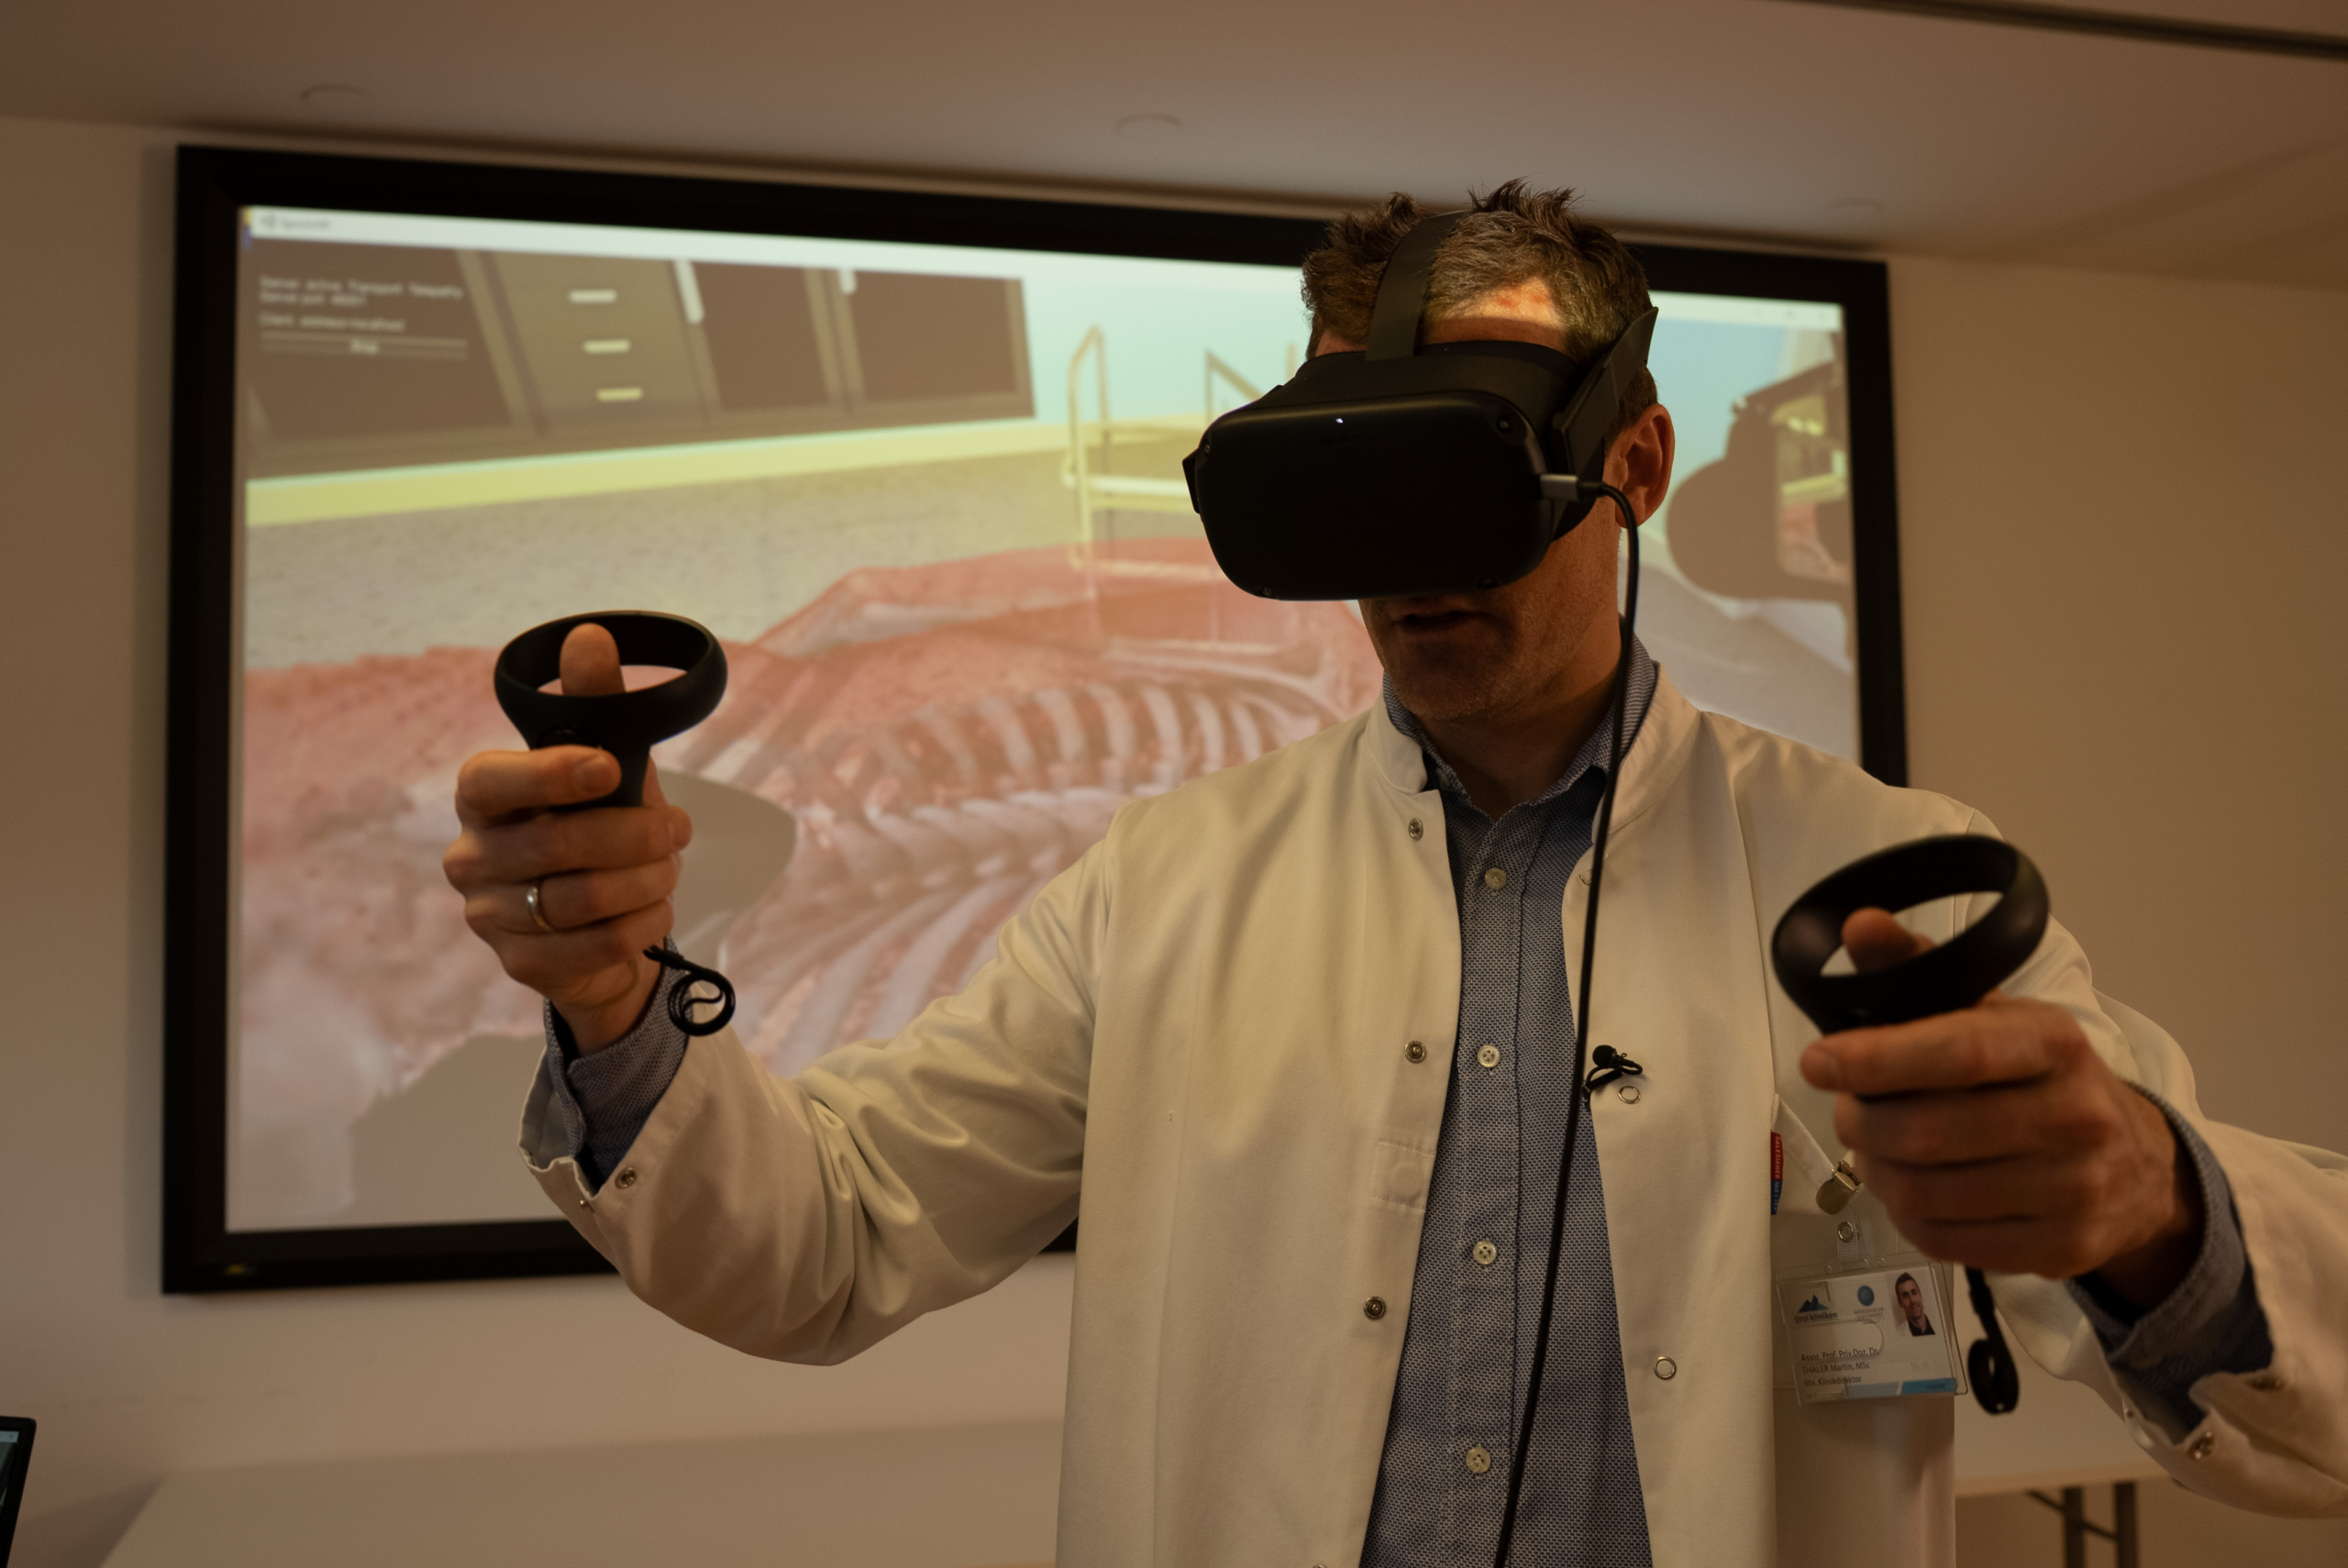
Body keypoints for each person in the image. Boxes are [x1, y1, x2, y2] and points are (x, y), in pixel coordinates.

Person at [442, 184, 2348, 1566]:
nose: (1417, 559)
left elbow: (2294, 1410)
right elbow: (825, 1246)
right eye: (1362, 478)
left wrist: (2146, 1205)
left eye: (1475, 462)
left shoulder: (1889, 881)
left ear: (1631, 460)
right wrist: (609, 999)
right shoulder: (1163, 886)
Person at [1894, 1272, 1935, 1337]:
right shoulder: (1897, 1335)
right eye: (1905, 1296)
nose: (1912, 1300)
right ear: (1900, 1303)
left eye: (1914, 1293)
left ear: (1920, 1295)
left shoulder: (1938, 1324)